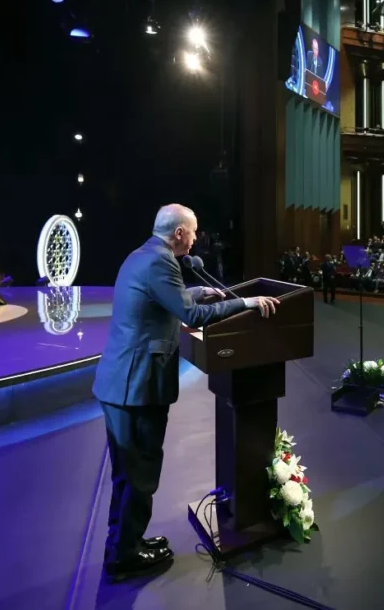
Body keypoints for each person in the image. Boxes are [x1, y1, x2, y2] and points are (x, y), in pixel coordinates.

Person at [93, 204, 280, 582]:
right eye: (194, 231)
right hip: (137, 387)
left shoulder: (143, 255)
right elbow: (191, 316)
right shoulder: (161, 262)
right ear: (179, 233)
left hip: (120, 383)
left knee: (128, 474)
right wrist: (245, 303)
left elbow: (163, 296)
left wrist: (198, 291)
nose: (196, 238)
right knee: (140, 474)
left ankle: (124, 543)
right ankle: (126, 556)